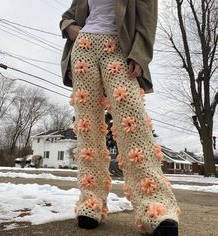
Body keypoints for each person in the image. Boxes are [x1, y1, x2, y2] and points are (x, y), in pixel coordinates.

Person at [60, 1, 180, 235]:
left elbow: (147, 19)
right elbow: (68, 15)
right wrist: (71, 28)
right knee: (87, 128)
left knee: (133, 125)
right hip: (83, 48)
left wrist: (139, 55)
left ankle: (156, 207)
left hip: (118, 48)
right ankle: (90, 202)